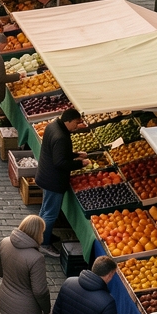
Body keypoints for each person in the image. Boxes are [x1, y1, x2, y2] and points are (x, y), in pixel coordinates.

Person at [37, 108, 88, 258]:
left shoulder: (52, 126)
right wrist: (81, 164)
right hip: (53, 180)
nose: (77, 126)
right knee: (51, 214)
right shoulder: (61, 137)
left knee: (45, 209)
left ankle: (39, 235)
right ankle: (44, 244)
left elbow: (59, 152)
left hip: (45, 175)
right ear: (68, 121)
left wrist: (76, 154)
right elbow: (60, 162)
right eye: (76, 123)